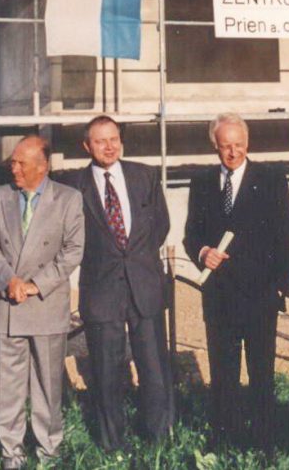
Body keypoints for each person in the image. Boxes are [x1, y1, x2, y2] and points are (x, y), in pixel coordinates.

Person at [183, 112, 289, 454]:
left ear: (248, 143)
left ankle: (265, 444)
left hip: (260, 296)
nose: (233, 152)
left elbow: (288, 236)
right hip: (219, 296)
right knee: (223, 374)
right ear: (215, 146)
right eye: (226, 146)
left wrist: (280, 287)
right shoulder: (202, 182)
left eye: (239, 145)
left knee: (262, 374)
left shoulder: (271, 179)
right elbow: (192, 234)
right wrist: (203, 252)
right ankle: (225, 442)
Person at [58, 115, 173, 451]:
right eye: (100, 141)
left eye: (114, 139)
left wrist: (135, 259)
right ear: (86, 146)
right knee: (106, 372)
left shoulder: (145, 176)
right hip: (101, 289)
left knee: (154, 368)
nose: (109, 147)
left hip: (144, 286)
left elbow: (160, 225)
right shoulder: (73, 185)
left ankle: (159, 440)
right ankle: (112, 444)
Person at [0, 135, 84, 469]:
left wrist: (36, 285)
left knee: (48, 385)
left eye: (21, 163)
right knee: (7, 386)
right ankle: (11, 451)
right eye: (13, 162)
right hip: (9, 304)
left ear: (43, 166)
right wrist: (8, 280)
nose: (14, 169)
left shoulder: (68, 199)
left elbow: (73, 251)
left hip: (46, 305)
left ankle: (48, 450)